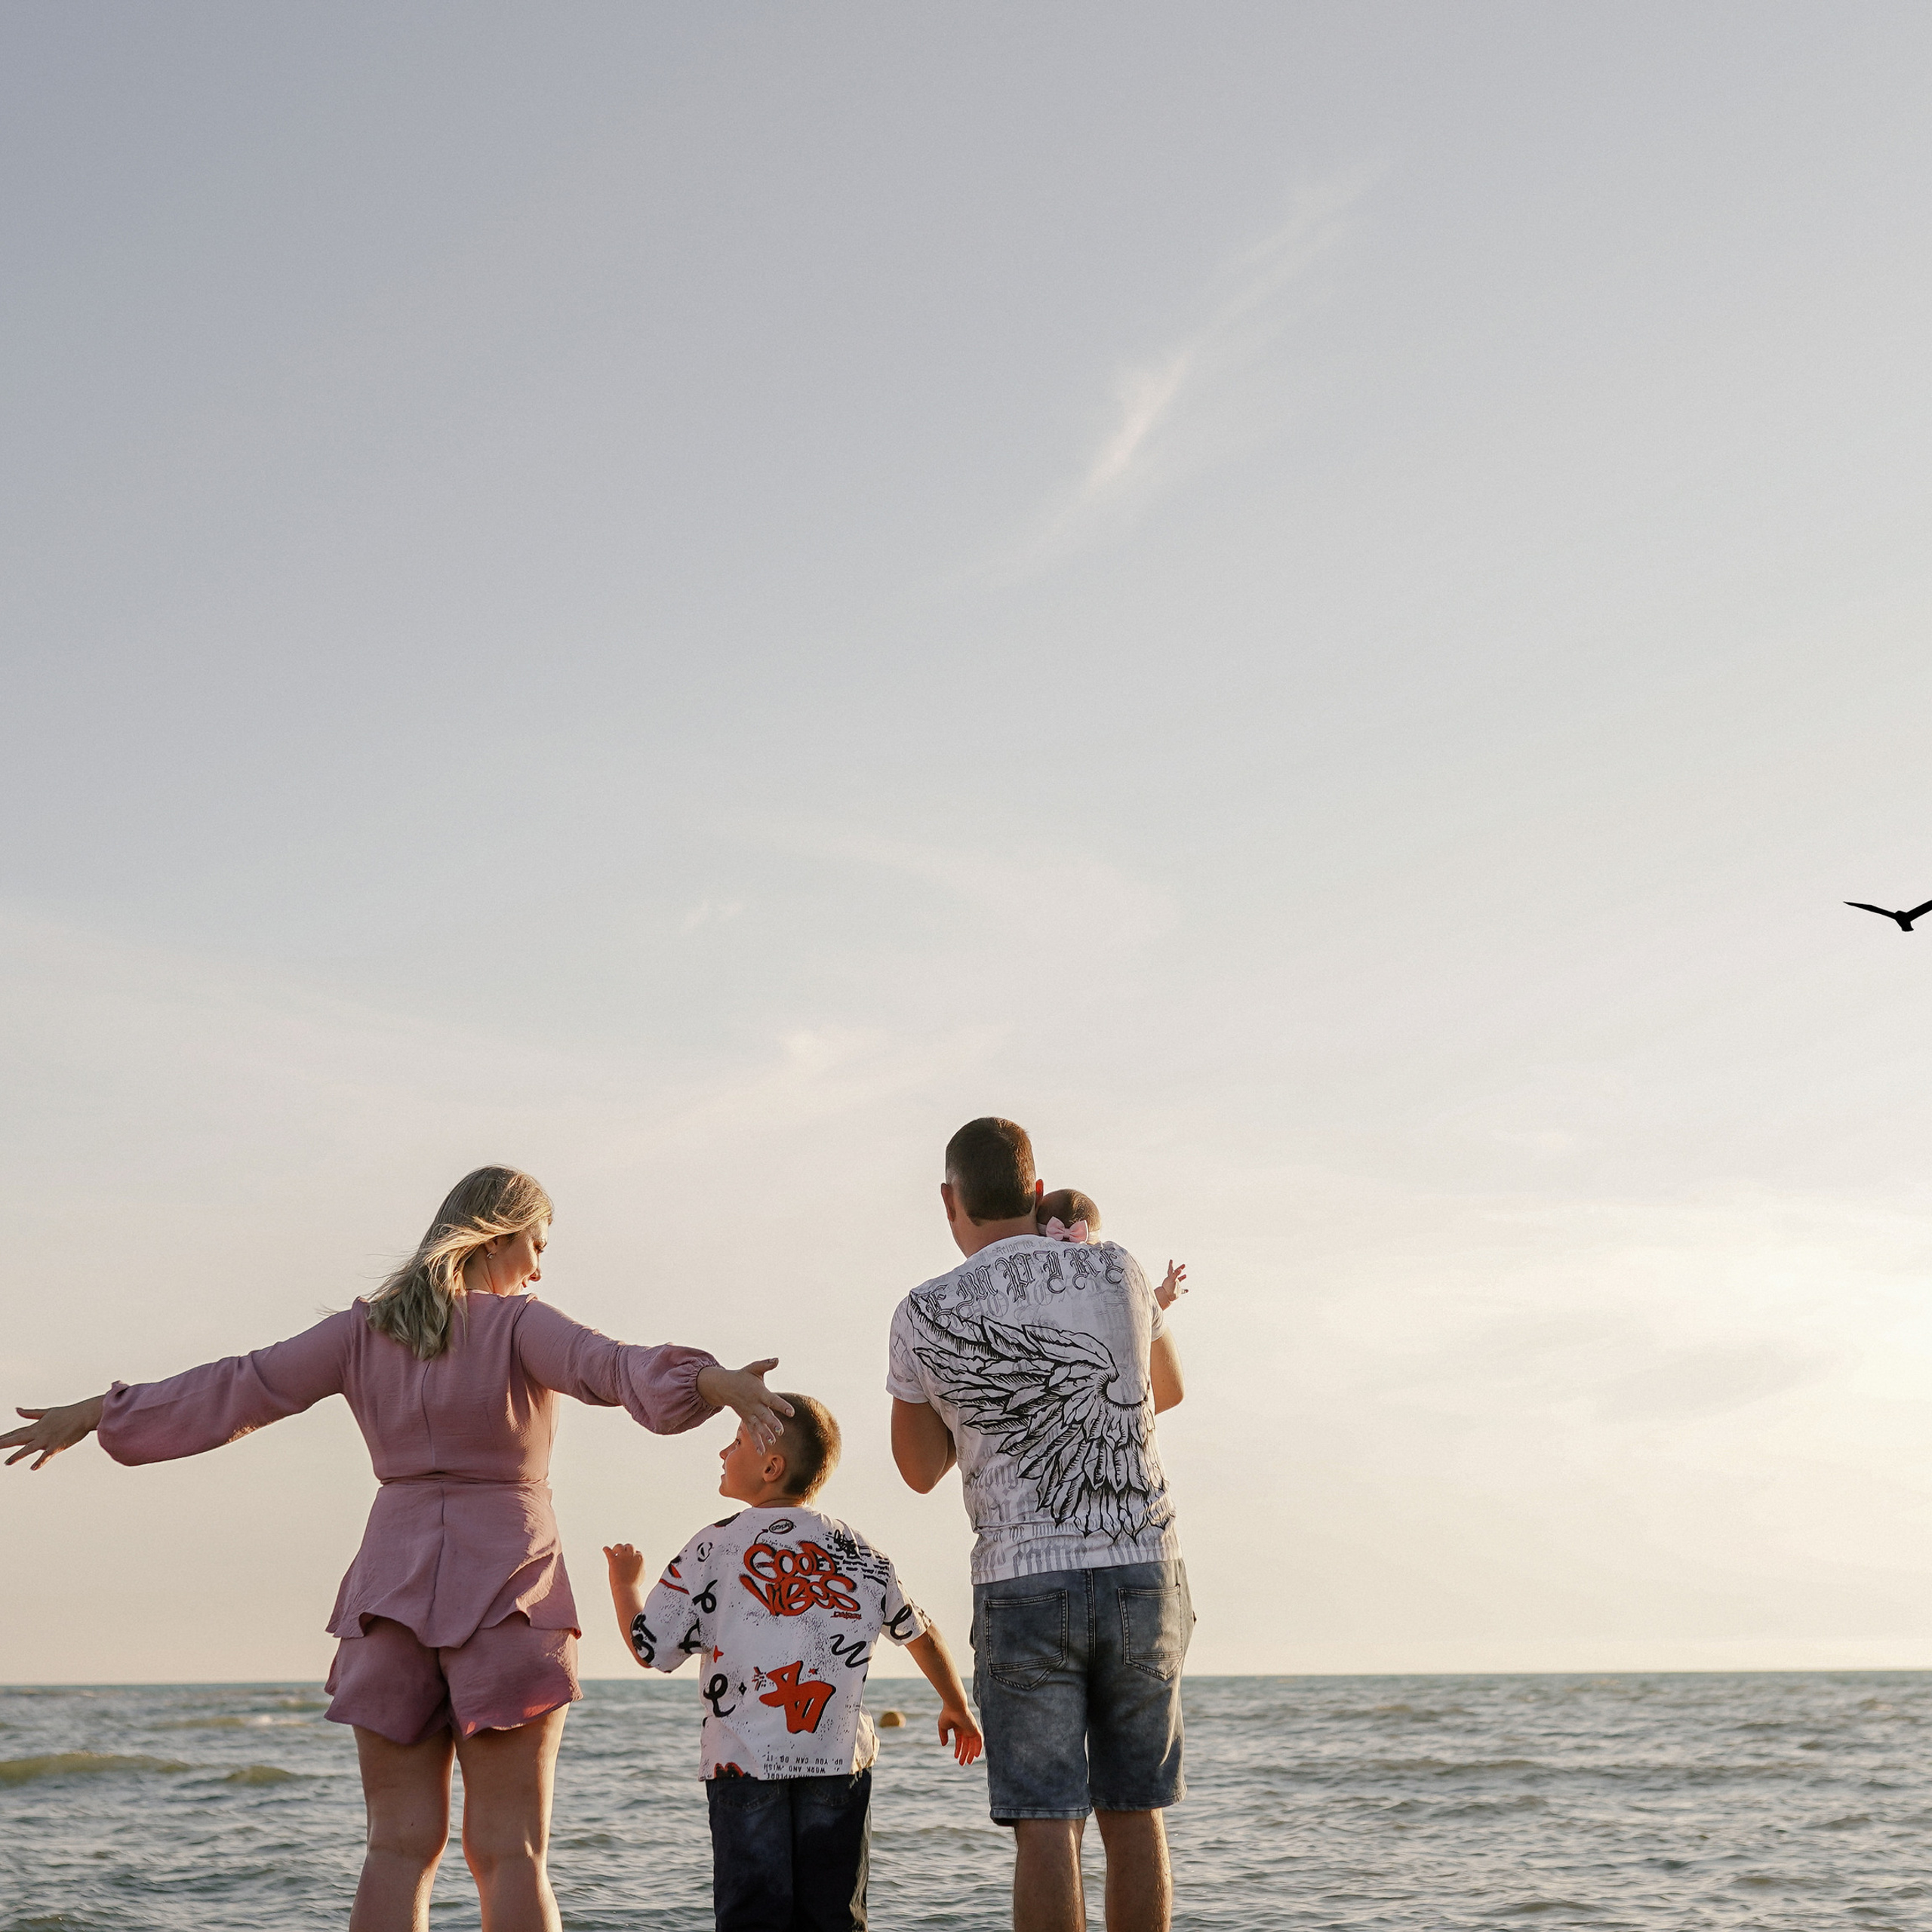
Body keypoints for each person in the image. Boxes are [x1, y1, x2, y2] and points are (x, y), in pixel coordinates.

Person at [1, 1164, 792, 1932]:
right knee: (511, 1851)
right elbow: (614, 1369)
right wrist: (713, 1382)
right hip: (509, 1596)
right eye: (538, 1245)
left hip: (388, 1597)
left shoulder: (361, 1331)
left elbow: (238, 1385)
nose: (541, 1269)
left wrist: (101, 1413)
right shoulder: (519, 1323)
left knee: (394, 1848)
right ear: (497, 1236)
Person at [887, 1119, 1190, 1932]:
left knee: (1046, 1821)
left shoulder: (923, 1310)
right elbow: (1166, 1390)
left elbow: (918, 1469)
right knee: (1135, 1808)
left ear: (950, 1200)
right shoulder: (1118, 1268)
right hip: (1139, 1564)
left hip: (1022, 1579)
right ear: (1034, 1187)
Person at [605, 1392, 981, 1931]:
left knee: (751, 1916)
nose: (722, 1452)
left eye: (735, 1442)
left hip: (744, 1765)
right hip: (836, 1762)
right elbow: (919, 1632)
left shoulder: (713, 1549)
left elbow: (650, 1648)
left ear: (770, 1467)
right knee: (834, 1916)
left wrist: (625, 1586)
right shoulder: (858, 1550)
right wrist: (955, 1706)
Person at [1034, 1189, 1188, 1310]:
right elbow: (1141, 1311)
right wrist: (1166, 1295)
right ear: (1095, 1244)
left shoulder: (1031, 1264)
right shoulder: (1105, 1273)